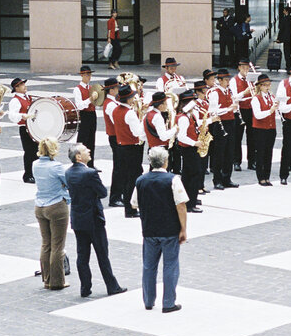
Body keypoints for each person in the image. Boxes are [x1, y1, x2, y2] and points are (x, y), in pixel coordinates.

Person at [130, 146, 188, 313]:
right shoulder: (173, 179)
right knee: (170, 265)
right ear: (165, 161)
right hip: (169, 229)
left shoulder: (141, 180)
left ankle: (148, 300)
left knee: (149, 266)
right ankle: (168, 302)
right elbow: (181, 205)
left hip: (149, 228)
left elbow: (134, 203)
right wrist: (183, 228)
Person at [65, 143, 126, 298]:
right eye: (86, 150)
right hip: (93, 219)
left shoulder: (68, 172)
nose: (89, 151)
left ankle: (85, 287)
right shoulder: (90, 173)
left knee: (82, 255)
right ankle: (112, 285)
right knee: (102, 254)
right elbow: (103, 192)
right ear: (78, 156)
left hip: (78, 218)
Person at [32, 137, 70, 290]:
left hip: (40, 205)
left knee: (46, 244)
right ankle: (57, 281)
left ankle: (46, 279)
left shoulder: (35, 164)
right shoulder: (57, 166)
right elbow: (67, 182)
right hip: (56, 206)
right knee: (58, 246)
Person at [113, 84, 146, 218]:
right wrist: (144, 118)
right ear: (128, 99)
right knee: (132, 178)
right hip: (132, 147)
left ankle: (129, 206)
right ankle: (130, 208)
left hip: (121, 146)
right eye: (132, 97)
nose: (134, 99)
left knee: (126, 177)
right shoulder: (130, 113)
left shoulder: (116, 110)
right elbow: (137, 132)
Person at [207, 68, 239, 190]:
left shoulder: (228, 91)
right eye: (225, 80)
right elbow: (212, 111)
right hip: (220, 123)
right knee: (219, 153)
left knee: (229, 152)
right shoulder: (214, 92)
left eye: (228, 79)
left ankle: (227, 178)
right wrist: (228, 109)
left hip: (230, 122)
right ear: (219, 80)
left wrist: (234, 108)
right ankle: (217, 180)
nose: (228, 82)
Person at [175, 91, 204, 212]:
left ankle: (188, 200)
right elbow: (181, 136)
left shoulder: (189, 116)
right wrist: (195, 143)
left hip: (190, 148)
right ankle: (190, 203)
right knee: (193, 175)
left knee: (188, 175)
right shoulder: (183, 118)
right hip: (188, 148)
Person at [7, 77, 37, 183]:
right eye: (22, 85)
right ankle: (28, 175)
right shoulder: (15, 100)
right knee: (29, 152)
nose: (25, 86)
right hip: (24, 128)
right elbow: (12, 115)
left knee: (37, 151)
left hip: (33, 127)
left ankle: (36, 173)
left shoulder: (27, 97)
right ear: (17, 88)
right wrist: (22, 116)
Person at [251, 74, 278, 186]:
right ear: (260, 86)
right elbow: (258, 115)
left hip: (271, 128)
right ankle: (261, 177)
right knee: (260, 153)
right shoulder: (256, 99)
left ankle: (267, 176)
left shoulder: (271, 97)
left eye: (269, 85)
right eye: (265, 85)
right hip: (260, 129)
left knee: (269, 153)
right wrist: (270, 111)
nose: (268, 87)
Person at [230, 59, 256, 171]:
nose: (246, 70)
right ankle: (236, 161)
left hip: (251, 110)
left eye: (247, 67)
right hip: (239, 110)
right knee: (237, 137)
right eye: (243, 67)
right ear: (239, 68)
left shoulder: (252, 80)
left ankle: (252, 161)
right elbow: (234, 97)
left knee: (252, 137)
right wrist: (244, 93)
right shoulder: (233, 81)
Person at [102, 77, 124, 207]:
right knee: (119, 167)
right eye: (117, 88)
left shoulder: (113, 102)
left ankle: (118, 195)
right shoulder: (110, 104)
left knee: (121, 166)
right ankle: (115, 197)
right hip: (116, 137)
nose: (118, 90)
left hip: (117, 136)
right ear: (111, 90)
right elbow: (117, 121)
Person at [144, 92, 179, 172]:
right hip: (161, 149)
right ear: (160, 106)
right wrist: (174, 129)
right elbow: (163, 136)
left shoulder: (148, 114)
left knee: (153, 172)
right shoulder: (158, 117)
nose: (167, 106)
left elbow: (143, 134)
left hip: (152, 147)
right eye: (166, 103)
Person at [74, 66, 98, 168]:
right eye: (87, 75)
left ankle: (90, 164)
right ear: (82, 75)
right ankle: (79, 164)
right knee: (82, 140)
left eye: (90, 75)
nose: (89, 77)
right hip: (84, 115)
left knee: (91, 140)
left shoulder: (92, 88)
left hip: (92, 114)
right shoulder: (77, 89)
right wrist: (90, 99)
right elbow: (79, 105)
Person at [192, 80, 211, 195]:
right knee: (198, 162)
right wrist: (210, 120)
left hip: (205, 134)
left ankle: (202, 184)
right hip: (197, 134)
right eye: (204, 91)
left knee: (204, 162)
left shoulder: (205, 103)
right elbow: (197, 121)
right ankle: (197, 186)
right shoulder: (195, 104)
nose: (205, 93)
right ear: (198, 92)